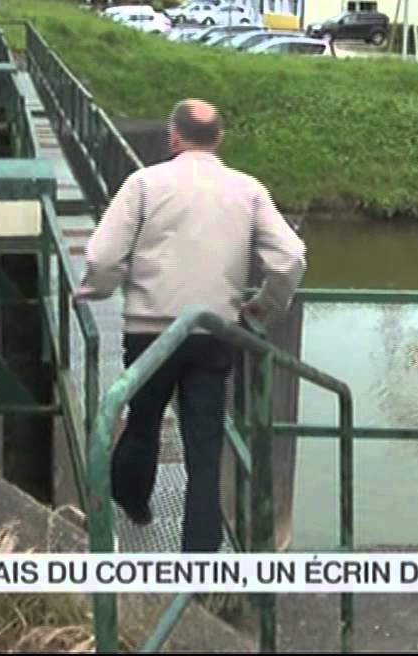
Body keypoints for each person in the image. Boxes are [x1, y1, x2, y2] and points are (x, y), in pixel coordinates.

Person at [74, 98, 307, 552]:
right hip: (214, 333)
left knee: (142, 420)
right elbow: (291, 257)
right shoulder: (248, 189)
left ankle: (133, 504)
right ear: (219, 139)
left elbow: (102, 257)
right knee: (205, 446)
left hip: (151, 330)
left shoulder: (143, 184)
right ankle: (200, 561)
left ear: (173, 136)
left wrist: (96, 291)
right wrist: (265, 305)